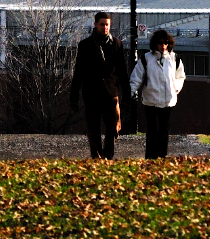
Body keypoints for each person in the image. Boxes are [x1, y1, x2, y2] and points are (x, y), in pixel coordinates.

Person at [70, 11, 131, 159]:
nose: (105, 28)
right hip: (92, 93)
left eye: (107, 25)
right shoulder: (85, 45)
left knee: (114, 128)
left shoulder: (116, 44)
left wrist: (127, 94)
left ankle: (108, 157)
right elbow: (79, 72)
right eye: (102, 24)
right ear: (95, 24)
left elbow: (122, 71)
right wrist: (74, 96)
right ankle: (97, 159)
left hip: (111, 92)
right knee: (93, 130)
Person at [129, 29, 186, 159]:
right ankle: (150, 157)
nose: (163, 46)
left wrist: (175, 89)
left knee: (164, 131)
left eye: (166, 43)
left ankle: (162, 157)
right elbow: (136, 77)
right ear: (155, 43)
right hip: (151, 100)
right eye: (160, 43)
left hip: (168, 101)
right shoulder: (146, 59)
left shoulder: (174, 58)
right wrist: (131, 92)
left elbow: (180, 76)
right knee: (152, 130)